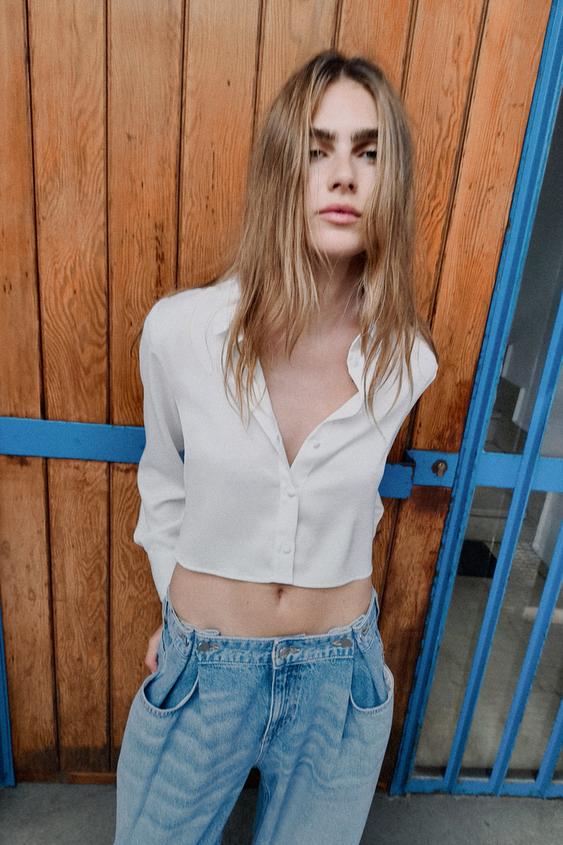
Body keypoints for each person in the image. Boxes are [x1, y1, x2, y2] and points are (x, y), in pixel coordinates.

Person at [114, 49, 439, 845]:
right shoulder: (180, 333)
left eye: (368, 153)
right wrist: (177, 613)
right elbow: (164, 485)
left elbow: (357, 509)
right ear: (280, 170)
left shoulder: (406, 362)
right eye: (316, 150)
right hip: (205, 671)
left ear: (389, 180)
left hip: (338, 681)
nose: (343, 176)